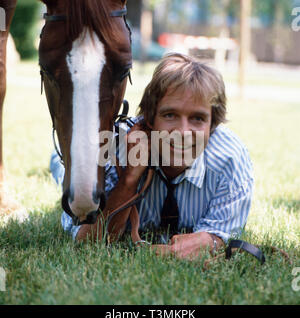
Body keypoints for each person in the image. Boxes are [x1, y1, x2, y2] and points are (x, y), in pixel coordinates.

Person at [52, 53, 254, 260]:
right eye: (170, 115)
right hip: (80, 156)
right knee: (64, 169)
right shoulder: (115, 147)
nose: (183, 132)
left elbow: (220, 234)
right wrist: (130, 177)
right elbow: (87, 241)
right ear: (149, 119)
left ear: (212, 125)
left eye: (197, 118)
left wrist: (211, 240)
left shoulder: (230, 159)